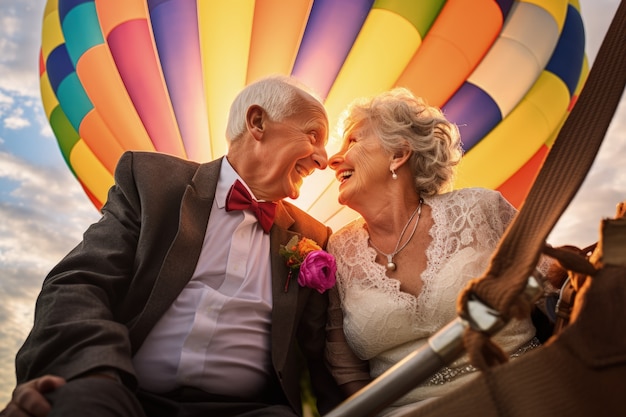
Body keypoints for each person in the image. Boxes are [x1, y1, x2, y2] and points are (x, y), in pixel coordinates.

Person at [1, 75, 344, 417]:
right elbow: (78, 283)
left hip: (249, 411)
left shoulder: (313, 237)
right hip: (126, 396)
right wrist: (95, 372)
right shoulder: (153, 181)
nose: (323, 159)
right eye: (313, 135)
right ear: (257, 122)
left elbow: (324, 351)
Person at [324, 88, 549, 415]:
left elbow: (555, 284)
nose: (333, 159)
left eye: (353, 141)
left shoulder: (480, 208)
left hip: (521, 394)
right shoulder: (337, 249)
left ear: (399, 155)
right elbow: (344, 364)